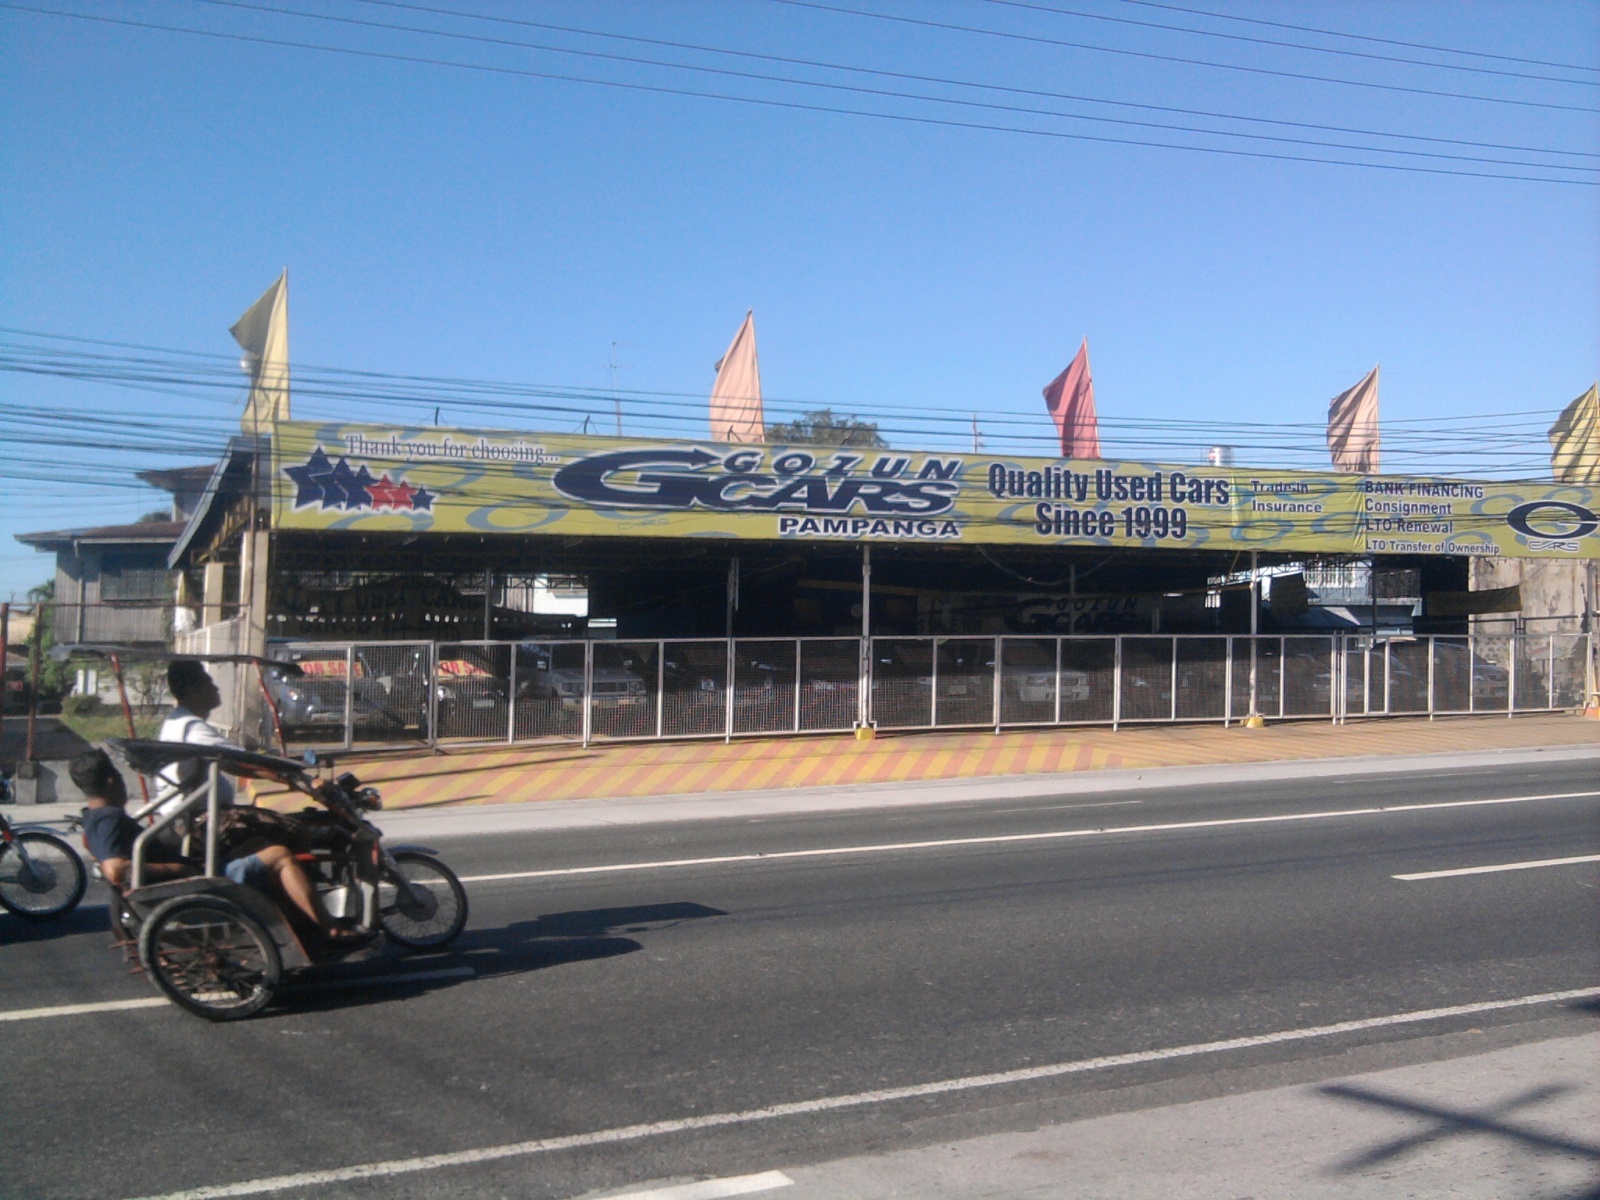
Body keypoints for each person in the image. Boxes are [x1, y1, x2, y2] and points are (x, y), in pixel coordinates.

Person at [157, 660, 355, 941]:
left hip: (191, 820)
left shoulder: (177, 722)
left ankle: (292, 901)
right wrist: (299, 779)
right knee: (296, 830)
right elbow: (242, 762)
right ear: (191, 690)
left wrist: (287, 777)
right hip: (204, 821)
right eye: (208, 683)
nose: (215, 688)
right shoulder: (192, 728)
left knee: (274, 831)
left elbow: (233, 764)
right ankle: (306, 918)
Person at [72, 748, 193, 890]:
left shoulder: (91, 818)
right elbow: (114, 870)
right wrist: (180, 869)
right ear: (112, 783)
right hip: (180, 884)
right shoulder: (110, 819)